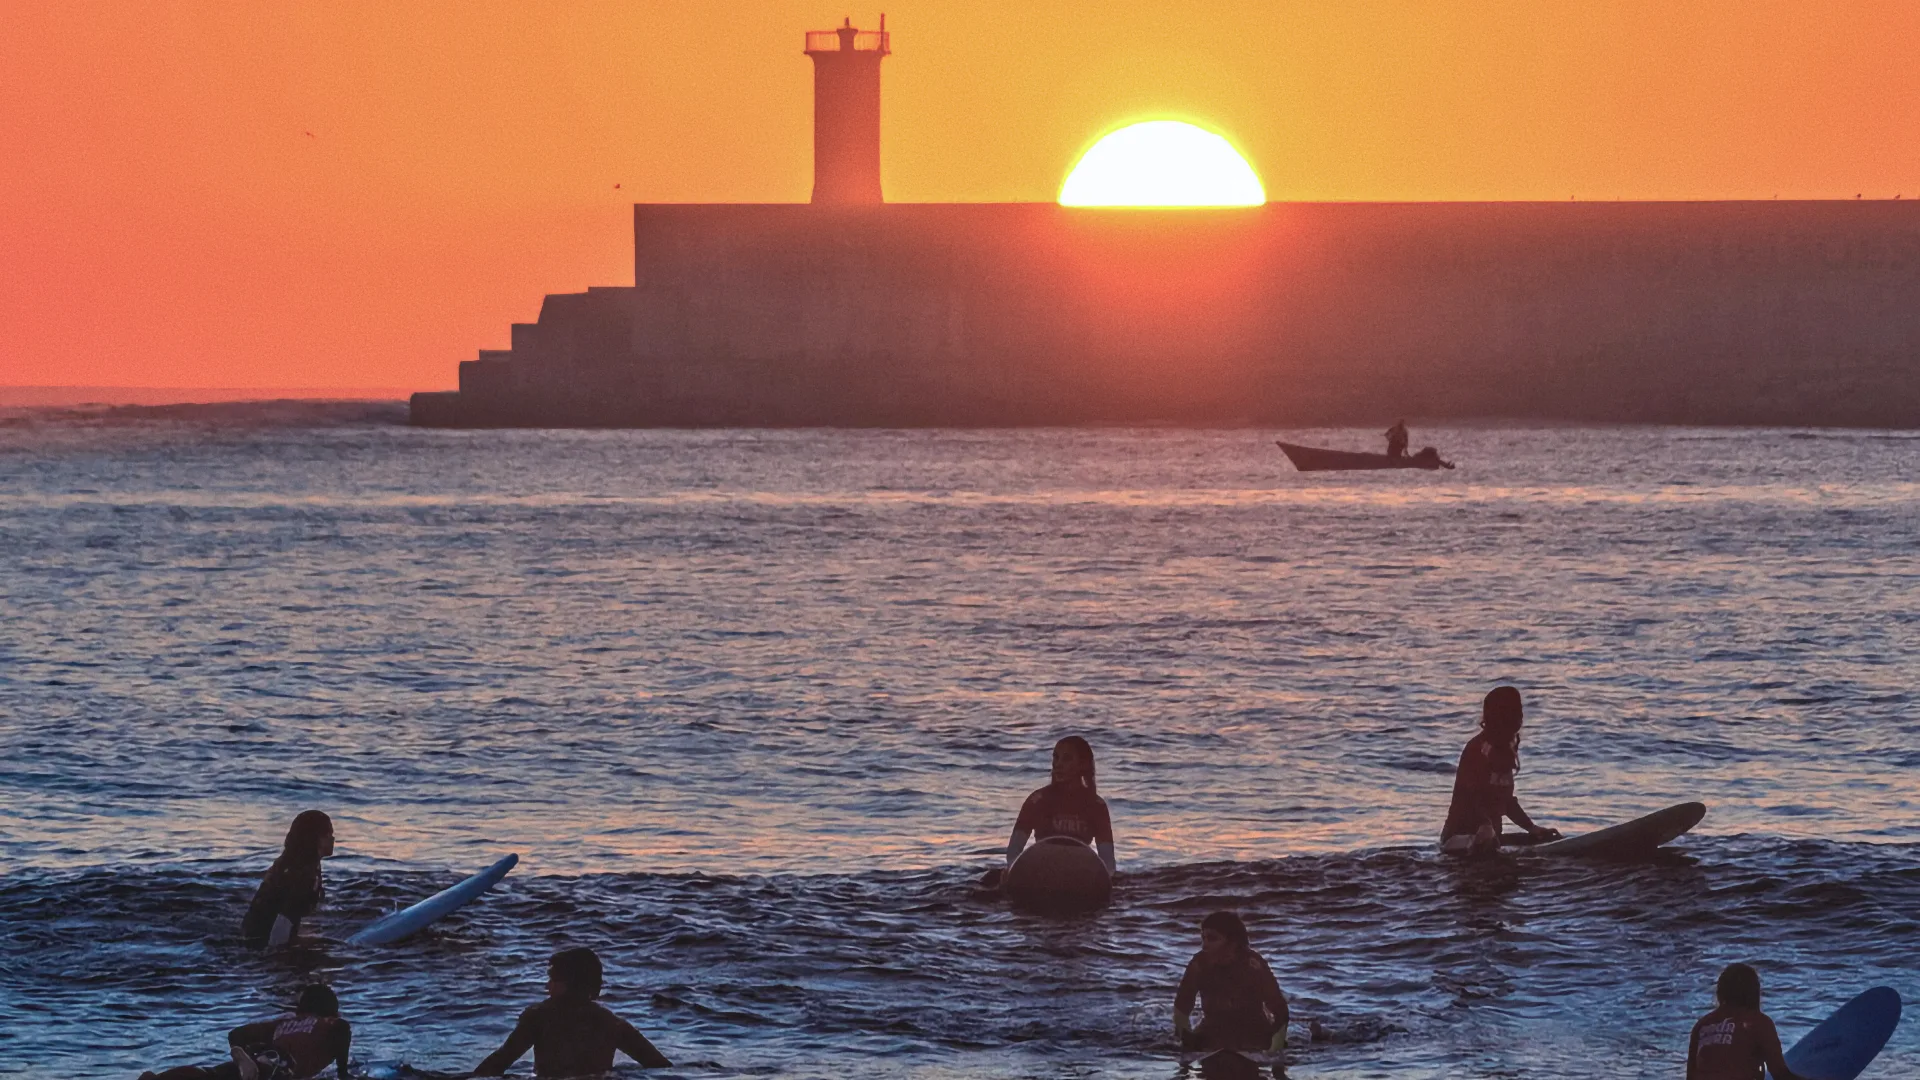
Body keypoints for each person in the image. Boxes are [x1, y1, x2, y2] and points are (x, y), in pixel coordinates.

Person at [474, 947, 672, 1076]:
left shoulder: (539, 1017)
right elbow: (659, 1066)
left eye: (553, 979)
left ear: (570, 983)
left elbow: (500, 1062)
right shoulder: (610, 1023)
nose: (547, 986)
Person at [138, 984, 351, 1080]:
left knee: (214, 1074)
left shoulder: (283, 1023)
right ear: (333, 1011)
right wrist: (343, 1073)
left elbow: (236, 1034)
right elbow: (343, 1030)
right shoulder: (331, 1023)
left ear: (300, 1010)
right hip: (281, 1066)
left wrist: (242, 1056)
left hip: (261, 1055)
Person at [1439, 687, 1560, 856]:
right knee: (1487, 842)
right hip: (1459, 839)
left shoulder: (1506, 751)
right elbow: (1471, 799)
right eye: (1515, 711)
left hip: (1493, 838)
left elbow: (1507, 802)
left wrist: (1531, 828)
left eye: (1520, 711)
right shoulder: (1477, 750)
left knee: (1545, 840)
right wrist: (1485, 825)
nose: (1520, 717)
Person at [1174, 911, 1289, 1056]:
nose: (1204, 946)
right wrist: (1186, 1053)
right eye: (1203, 938)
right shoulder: (1199, 964)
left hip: (1254, 1030)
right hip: (1212, 1029)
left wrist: (1274, 1052)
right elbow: (1181, 1007)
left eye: (1212, 939)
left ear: (1233, 942)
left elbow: (1280, 1011)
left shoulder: (1253, 965)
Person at [1006, 735, 1115, 873]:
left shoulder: (1096, 806)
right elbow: (1013, 852)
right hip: (1042, 870)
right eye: (1056, 758)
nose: (1058, 764)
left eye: (1067, 759)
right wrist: (1015, 873)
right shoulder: (1037, 800)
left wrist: (1103, 880)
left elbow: (1108, 862)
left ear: (1083, 764)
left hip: (1078, 873)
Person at [1686, 963, 1803, 1080]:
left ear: (1720, 992)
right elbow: (1780, 1074)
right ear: (1754, 992)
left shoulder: (1701, 1025)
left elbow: (1690, 1076)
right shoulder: (1759, 1022)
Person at [242, 810, 334, 948]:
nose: (332, 839)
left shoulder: (291, 864)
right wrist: (277, 954)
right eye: (328, 834)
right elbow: (284, 920)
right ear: (316, 839)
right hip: (265, 941)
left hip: (251, 933)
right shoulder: (303, 876)